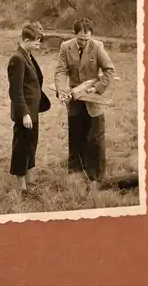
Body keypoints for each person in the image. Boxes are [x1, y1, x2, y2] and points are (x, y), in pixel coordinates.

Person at [54, 17, 115, 184]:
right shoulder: (65, 47)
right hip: (75, 99)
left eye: (87, 39)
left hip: (93, 100)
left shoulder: (98, 47)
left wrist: (96, 88)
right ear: (75, 35)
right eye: (80, 39)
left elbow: (109, 71)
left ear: (91, 36)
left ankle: (95, 174)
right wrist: (61, 89)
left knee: (95, 137)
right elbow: (60, 70)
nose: (83, 42)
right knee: (76, 135)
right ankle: (75, 169)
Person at [7, 24, 51, 194]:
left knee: (32, 144)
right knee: (22, 146)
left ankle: (30, 178)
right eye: (36, 43)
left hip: (33, 110)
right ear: (26, 40)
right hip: (25, 112)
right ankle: (21, 187)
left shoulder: (28, 55)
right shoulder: (17, 59)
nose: (38, 46)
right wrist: (24, 114)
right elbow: (15, 91)